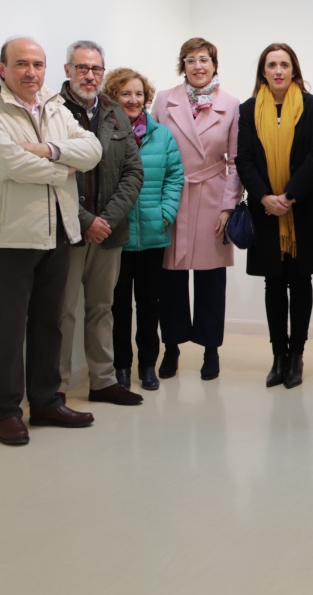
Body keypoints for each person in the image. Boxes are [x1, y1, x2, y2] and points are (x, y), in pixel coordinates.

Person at [0, 37, 101, 445]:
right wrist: (63, 168)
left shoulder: (56, 107)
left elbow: (91, 150)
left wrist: (47, 149)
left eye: (38, 64)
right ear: (2, 68)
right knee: (8, 328)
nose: (31, 72)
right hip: (9, 235)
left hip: (57, 229)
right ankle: (6, 412)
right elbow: (7, 162)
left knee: (49, 322)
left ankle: (45, 402)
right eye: (21, 64)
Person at [236, 43, 313, 389]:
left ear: (295, 70)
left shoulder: (312, 106)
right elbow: (243, 159)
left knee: (300, 281)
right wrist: (264, 197)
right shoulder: (247, 110)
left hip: (300, 208)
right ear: (263, 71)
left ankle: (297, 356)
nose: (278, 70)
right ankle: (278, 356)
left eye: (285, 64)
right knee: (273, 283)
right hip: (265, 211)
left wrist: (289, 196)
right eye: (271, 64)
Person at [55, 40, 145, 406]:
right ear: (67, 71)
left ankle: (103, 382)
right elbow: (52, 173)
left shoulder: (114, 112)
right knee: (61, 312)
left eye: (95, 69)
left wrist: (105, 220)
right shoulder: (51, 111)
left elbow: (133, 171)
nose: (89, 76)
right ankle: (55, 388)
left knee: (101, 308)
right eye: (81, 68)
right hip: (66, 229)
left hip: (108, 232)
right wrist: (84, 220)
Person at [151, 37, 242, 381]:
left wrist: (228, 207)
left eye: (204, 59)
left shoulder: (231, 104)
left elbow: (234, 161)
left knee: (210, 279)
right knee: (170, 277)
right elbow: (154, 149)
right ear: (183, 65)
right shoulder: (164, 100)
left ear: (214, 64)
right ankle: (171, 346)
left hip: (213, 196)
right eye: (191, 60)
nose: (198, 66)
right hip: (172, 195)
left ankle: (210, 350)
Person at [106, 67, 183, 392]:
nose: (134, 100)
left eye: (139, 94)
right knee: (118, 306)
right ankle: (122, 367)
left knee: (150, 304)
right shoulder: (104, 134)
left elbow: (175, 176)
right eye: (126, 94)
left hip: (153, 234)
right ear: (113, 98)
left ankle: (148, 365)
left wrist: (165, 212)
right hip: (117, 238)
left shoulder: (161, 135)